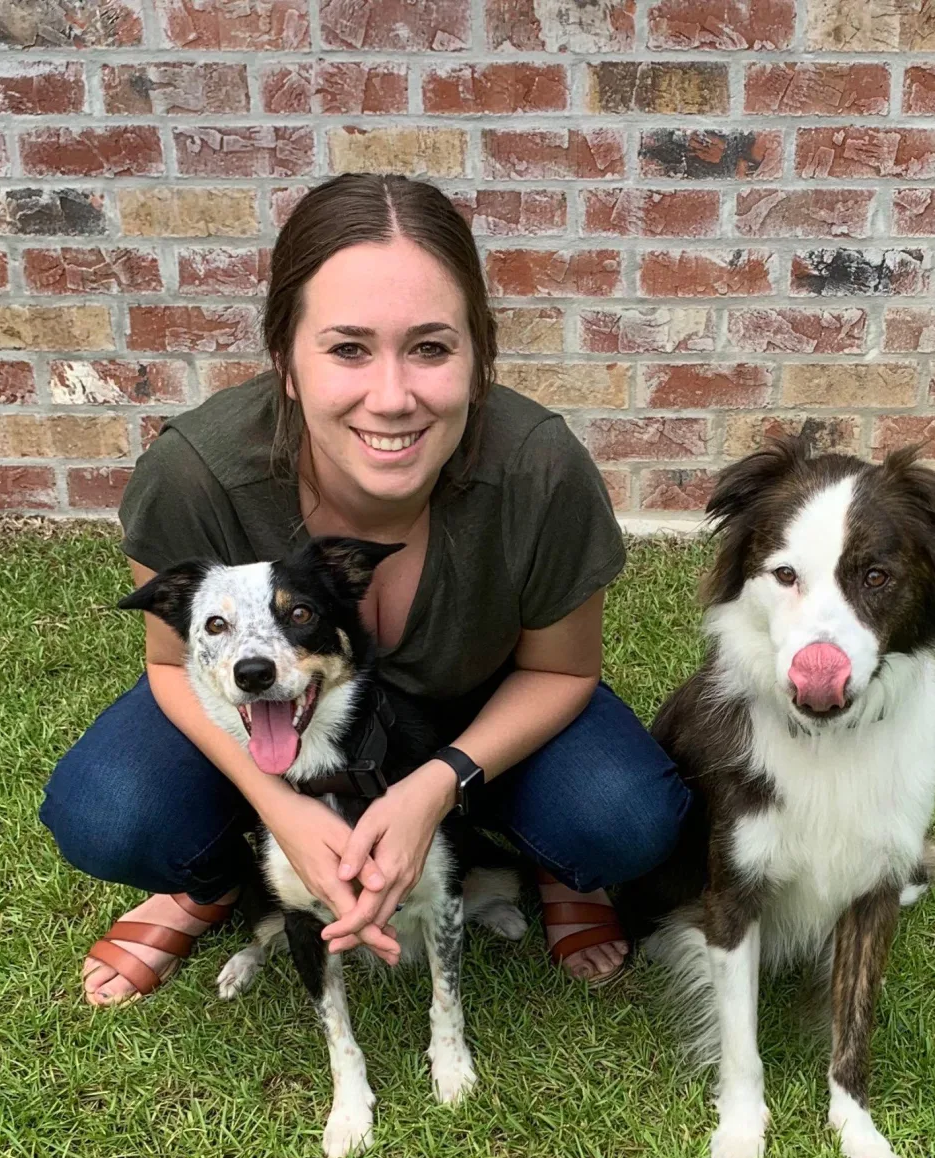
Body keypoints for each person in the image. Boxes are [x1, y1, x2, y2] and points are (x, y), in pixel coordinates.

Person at [39, 172, 691, 1003]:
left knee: (625, 819)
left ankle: (560, 867)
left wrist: (434, 784)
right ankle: (211, 885)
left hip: (474, 716)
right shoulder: (195, 477)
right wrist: (282, 808)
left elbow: (562, 671)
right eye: (348, 348)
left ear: (478, 355)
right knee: (109, 812)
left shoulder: (539, 469)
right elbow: (173, 669)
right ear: (286, 362)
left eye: (430, 347)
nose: (393, 397)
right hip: (266, 723)